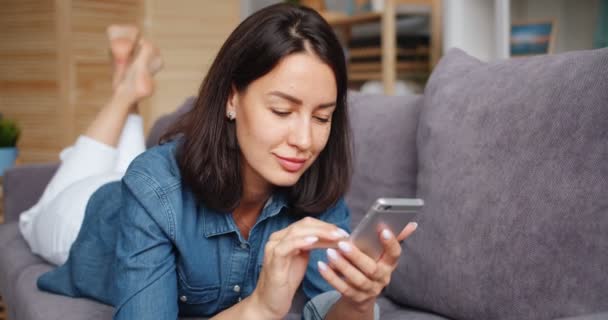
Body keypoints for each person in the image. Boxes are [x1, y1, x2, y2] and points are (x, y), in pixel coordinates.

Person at [22, 4, 418, 320]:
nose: (304, 141)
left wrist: (359, 301)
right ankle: (126, 91)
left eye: (321, 117)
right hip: (82, 217)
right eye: (282, 111)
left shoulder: (316, 190)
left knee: (130, 162)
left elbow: (330, 311)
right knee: (63, 193)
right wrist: (260, 308)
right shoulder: (155, 187)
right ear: (232, 99)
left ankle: (129, 82)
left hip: (149, 183)